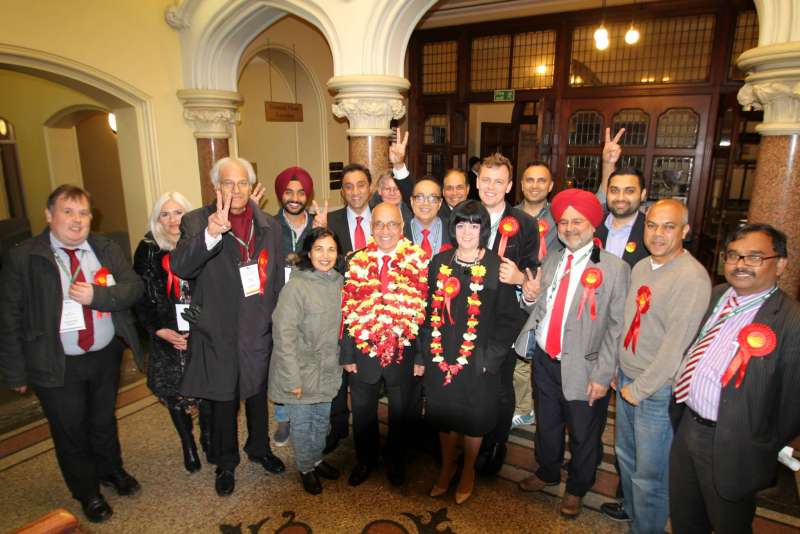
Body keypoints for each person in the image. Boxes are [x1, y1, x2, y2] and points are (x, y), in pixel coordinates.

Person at [0, 185, 143, 523]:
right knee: (70, 429)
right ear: (49, 215)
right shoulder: (24, 257)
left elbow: (132, 288)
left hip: (104, 353)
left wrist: (98, 297)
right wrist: (14, 372)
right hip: (55, 360)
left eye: (83, 213)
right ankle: (87, 491)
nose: (77, 220)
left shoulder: (105, 247)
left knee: (102, 419)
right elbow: (9, 317)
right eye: (68, 211)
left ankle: (111, 471)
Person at [670, 223, 800, 533]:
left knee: (729, 524)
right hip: (688, 426)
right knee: (686, 518)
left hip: (735, 444)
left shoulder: (791, 321)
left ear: (780, 264)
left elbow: (793, 405)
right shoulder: (717, 295)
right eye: (733, 256)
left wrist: (758, 444)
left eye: (754, 257)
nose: (740, 265)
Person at [170, 156, 286, 497]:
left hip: (257, 326)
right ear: (215, 187)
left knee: (256, 394)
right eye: (227, 183)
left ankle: (260, 448)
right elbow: (181, 267)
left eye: (242, 183)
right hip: (218, 329)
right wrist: (210, 234)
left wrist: (276, 322)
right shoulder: (195, 221)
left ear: (251, 187)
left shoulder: (269, 225)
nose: (235, 190)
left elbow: (277, 275)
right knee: (223, 400)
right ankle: (225, 462)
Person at [514, 189, 629, 518]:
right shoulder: (552, 258)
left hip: (585, 367)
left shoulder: (614, 268)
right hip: (546, 360)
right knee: (547, 425)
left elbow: (616, 327)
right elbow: (539, 308)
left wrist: (603, 375)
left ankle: (577, 488)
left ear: (593, 225)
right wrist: (529, 296)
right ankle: (548, 471)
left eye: (577, 221)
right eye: (563, 222)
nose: (569, 228)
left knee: (583, 433)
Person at [615, 199, 711, 533]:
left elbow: (675, 349)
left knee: (650, 473)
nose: (658, 234)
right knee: (626, 455)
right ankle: (632, 512)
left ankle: (647, 528)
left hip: (655, 389)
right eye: (652, 225)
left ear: (685, 231)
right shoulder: (642, 266)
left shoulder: (691, 278)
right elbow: (629, 322)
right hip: (628, 378)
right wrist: (618, 369)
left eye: (668, 227)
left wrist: (638, 390)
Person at [420, 200, 521, 504]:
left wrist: (488, 359)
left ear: (483, 229)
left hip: (478, 359)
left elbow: (509, 318)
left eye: (474, 225)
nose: (467, 231)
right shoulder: (439, 263)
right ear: (453, 227)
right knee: (444, 415)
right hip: (441, 355)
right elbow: (428, 311)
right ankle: (447, 466)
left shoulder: (496, 266)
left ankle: (467, 470)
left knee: (474, 418)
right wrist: (428, 351)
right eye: (461, 224)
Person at [340, 202, 429, 487]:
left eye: (392, 224)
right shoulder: (355, 261)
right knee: (363, 412)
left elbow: (427, 315)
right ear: (371, 227)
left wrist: (421, 357)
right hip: (363, 355)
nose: (385, 230)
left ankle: (396, 461)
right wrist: (347, 353)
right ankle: (365, 460)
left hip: (403, 354)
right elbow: (346, 311)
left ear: (402, 228)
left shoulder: (419, 261)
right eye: (379, 224)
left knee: (401, 414)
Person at [133, 192, 211, 473]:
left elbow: (213, 288)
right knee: (175, 393)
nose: (171, 220)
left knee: (207, 389)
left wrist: (201, 324)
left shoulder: (202, 242)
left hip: (201, 330)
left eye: (177, 212)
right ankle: (187, 443)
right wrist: (158, 330)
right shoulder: (148, 249)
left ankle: (207, 437)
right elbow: (141, 297)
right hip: (167, 333)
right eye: (164, 214)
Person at [474, 153, 539, 475]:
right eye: (486, 179)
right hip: (468, 312)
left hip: (505, 319)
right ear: (477, 181)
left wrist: (519, 278)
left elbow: (534, 276)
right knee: (471, 379)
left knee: (500, 385)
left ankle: (496, 443)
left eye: (499, 181)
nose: (491, 187)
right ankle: (472, 439)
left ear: (510, 186)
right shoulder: (465, 215)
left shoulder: (525, 224)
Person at [269, 228, 344, 495]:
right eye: (319, 249)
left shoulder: (339, 282)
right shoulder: (296, 287)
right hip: (300, 370)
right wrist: (292, 379)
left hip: (328, 367)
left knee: (321, 422)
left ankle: (316, 460)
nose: (325, 255)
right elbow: (283, 336)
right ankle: (305, 468)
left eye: (331, 249)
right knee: (302, 426)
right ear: (308, 253)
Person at [512, 160, 560, 429]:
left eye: (541, 180)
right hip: (515, 288)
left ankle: (532, 407)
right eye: (529, 180)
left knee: (536, 350)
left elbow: (597, 206)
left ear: (551, 185)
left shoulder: (559, 215)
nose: (534, 185)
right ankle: (521, 405)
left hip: (548, 292)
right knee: (517, 348)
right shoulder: (511, 215)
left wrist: (607, 164)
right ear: (521, 184)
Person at [273, 166, 317, 448]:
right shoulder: (267, 225)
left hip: (311, 305)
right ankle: (283, 416)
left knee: (309, 359)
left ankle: (310, 412)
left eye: (300, 192)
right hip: (279, 304)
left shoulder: (317, 224)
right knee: (282, 359)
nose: (294, 197)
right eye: (289, 191)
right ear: (280, 194)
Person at [595, 129, 648, 269]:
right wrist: (607, 163)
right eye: (614, 190)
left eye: (629, 191)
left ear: (642, 194)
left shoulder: (651, 230)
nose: (620, 198)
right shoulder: (592, 226)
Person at [405, 177, 450, 256]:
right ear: (412, 201)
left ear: (440, 203)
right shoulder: (400, 231)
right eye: (420, 197)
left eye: (432, 198)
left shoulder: (453, 230)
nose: (426, 203)